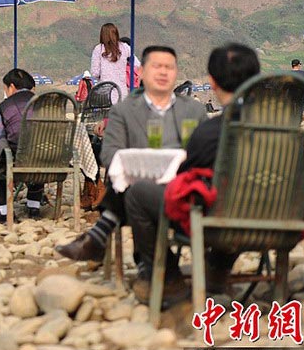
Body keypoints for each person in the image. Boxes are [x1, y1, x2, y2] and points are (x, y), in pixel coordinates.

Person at [124, 43, 260, 307]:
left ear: (212, 81)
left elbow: (184, 183)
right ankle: (218, 270)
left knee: (139, 194)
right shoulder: (281, 132)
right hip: (273, 220)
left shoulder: (210, 132)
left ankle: (167, 278)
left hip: (220, 224)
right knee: (237, 195)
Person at [56, 45, 207, 262]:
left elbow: (202, 155)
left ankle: (101, 237)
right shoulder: (124, 110)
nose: (163, 72)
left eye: (169, 67)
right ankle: (152, 266)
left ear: (176, 73)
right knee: (137, 187)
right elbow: (108, 154)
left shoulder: (193, 110)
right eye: (157, 67)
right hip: (139, 182)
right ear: (142, 72)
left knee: (134, 193)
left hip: (182, 188)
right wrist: (138, 163)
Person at [0, 68, 46, 221]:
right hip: (49, 157)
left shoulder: (4, 107)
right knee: (39, 148)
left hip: (19, 158)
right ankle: (34, 207)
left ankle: (4, 211)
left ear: (11, 87)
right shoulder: (46, 103)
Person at [91, 23, 133, 100]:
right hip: (122, 92)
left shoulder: (99, 49)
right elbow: (135, 63)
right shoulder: (125, 47)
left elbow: (95, 72)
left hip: (105, 92)